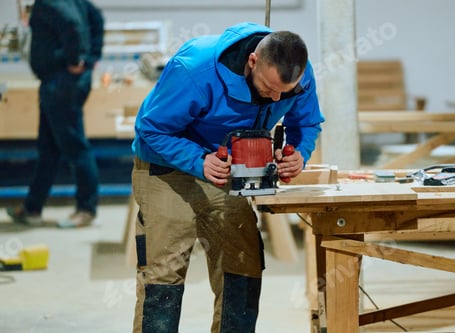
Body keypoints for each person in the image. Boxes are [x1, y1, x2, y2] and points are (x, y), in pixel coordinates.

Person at [131, 22, 324, 332]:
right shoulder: (195, 69)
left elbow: (308, 123)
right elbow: (151, 128)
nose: (276, 100)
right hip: (168, 166)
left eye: (283, 93)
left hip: (227, 167)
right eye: (269, 88)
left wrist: (298, 151)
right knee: (164, 274)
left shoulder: (296, 74)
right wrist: (198, 160)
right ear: (252, 61)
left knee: (243, 266)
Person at [7, 0, 104, 228]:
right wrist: (91, 57)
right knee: (48, 147)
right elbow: (96, 18)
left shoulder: (49, 2)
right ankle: (32, 207)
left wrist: (77, 59)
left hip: (61, 83)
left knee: (75, 146)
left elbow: (73, 24)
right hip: (60, 82)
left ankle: (86, 208)